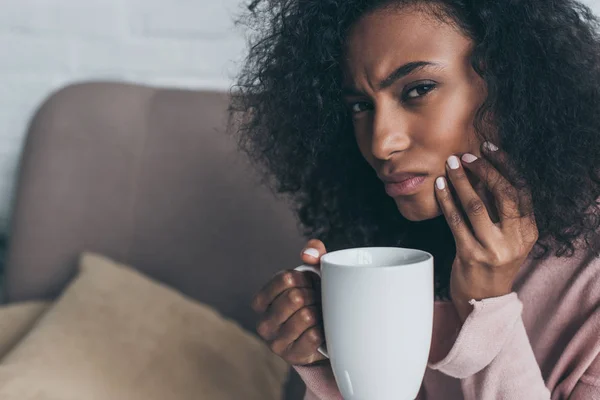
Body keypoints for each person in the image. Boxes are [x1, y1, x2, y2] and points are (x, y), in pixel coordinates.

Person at [229, 0, 600, 398]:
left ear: (511, 81)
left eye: (418, 89)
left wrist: (488, 308)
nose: (381, 142)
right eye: (360, 106)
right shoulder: (404, 245)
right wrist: (334, 355)